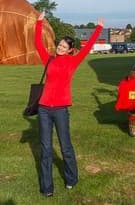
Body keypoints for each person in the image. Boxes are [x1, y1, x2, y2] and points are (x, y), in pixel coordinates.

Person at [33, 11, 103, 197]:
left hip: (61, 110)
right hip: (44, 110)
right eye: (59, 45)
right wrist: (38, 23)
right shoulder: (48, 59)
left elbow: (87, 48)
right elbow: (38, 43)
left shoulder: (73, 61)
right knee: (46, 149)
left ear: (70, 49)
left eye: (64, 46)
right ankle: (46, 188)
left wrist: (98, 29)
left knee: (65, 147)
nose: (60, 48)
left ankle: (71, 179)